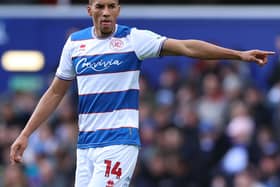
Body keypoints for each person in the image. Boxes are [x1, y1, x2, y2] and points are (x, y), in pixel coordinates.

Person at [10, 0, 274, 186]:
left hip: (118, 143)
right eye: (100, 6)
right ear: (89, 9)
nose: (106, 12)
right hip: (86, 146)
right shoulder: (76, 43)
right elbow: (55, 92)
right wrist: (25, 134)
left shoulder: (133, 40)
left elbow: (187, 48)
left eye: (111, 6)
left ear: (118, 10)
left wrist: (238, 55)